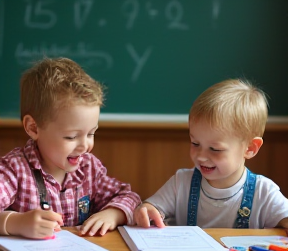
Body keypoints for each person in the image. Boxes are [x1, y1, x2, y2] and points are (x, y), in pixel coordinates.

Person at [0, 57, 141, 239]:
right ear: (33, 128)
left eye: (91, 133)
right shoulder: (15, 170)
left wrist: (113, 213)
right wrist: (15, 223)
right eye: (71, 136)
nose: (84, 146)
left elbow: (129, 196)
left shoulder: (88, 167)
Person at [134, 79, 288, 229]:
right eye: (195, 144)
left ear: (250, 148)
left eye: (215, 149)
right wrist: (147, 211)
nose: (201, 156)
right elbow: (150, 208)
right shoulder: (180, 184)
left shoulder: (263, 192)